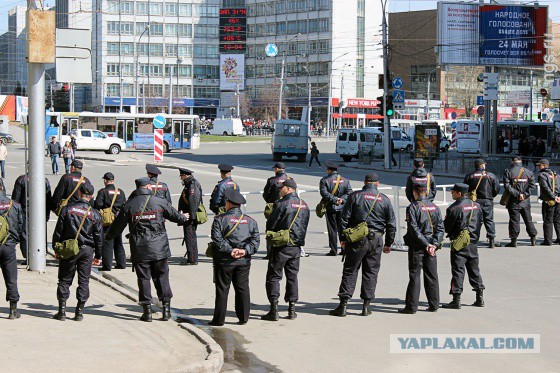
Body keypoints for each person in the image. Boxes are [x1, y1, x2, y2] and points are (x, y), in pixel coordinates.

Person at [106, 177, 188, 322]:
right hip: (159, 248)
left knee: (144, 278)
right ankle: (166, 310)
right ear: (149, 187)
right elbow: (176, 217)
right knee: (162, 277)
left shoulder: (130, 205)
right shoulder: (159, 201)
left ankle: (147, 312)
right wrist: (183, 217)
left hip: (140, 248)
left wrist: (108, 236)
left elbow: (116, 228)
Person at [329, 172, 396, 317]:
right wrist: (389, 243)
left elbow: (344, 219)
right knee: (371, 272)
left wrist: (343, 238)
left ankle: (343, 305)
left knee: (350, 270)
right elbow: (391, 224)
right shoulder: (384, 199)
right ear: (377, 184)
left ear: (365, 182)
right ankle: (366, 306)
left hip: (357, 239)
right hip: (376, 239)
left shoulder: (355, 196)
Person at [52, 183, 103, 321]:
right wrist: (98, 255)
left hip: (69, 249)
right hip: (87, 251)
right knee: (84, 281)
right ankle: (79, 312)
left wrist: (56, 248)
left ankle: (61, 311)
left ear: (79, 193)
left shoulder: (67, 209)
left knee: (64, 280)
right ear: (91, 196)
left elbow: (58, 231)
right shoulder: (94, 214)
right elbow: (99, 237)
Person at [209, 188, 260, 326]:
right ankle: (243, 317)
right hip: (243, 261)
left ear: (228, 203)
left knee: (222, 289)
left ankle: (219, 319)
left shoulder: (220, 219)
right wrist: (244, 251)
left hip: (224, 260)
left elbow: (217, 239)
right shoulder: (251, 221)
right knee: (242, 288)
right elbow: (255, 242)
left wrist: (231, 251)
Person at [262, 179, 310, 321]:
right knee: (292, 277)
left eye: (281, 187)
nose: (279, 189)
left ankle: (274, 309)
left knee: (274, 276)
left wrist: (272, 236)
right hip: (296, 246)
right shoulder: (304, 205)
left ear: (289, 189)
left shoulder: (281, 203)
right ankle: (292, 309)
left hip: (281, 246)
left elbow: (272, 223)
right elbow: (304, 226)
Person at [399, 185, 444, 314]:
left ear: (415, 192)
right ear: (427, 192)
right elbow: (440, 228)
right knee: (432, 275)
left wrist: (426, 244)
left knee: (415, 275)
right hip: (431, 247)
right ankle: (434, 304)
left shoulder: (413, 207)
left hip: (418, 246)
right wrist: (434, 244)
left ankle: (411, 307)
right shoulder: (435, 207)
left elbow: (414, 229)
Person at [442, 183, 485, 309]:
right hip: (473, 242)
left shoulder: (454, 208)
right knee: (474, 270)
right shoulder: (476, 205)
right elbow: (480, 222)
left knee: (458, 270)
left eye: (453, 192)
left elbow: (447, 227)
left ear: (459, 193)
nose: (451, 193)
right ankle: (480, 297)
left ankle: (456, 299)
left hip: (459, 243)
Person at [11, 175, 51, 261]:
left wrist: (15, 214)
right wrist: (47, 214)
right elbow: (48, 199)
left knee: (25, 233)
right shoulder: (45, 180)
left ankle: (28, 257)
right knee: (40, 232)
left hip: (24, 210)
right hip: (40, 211)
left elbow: (15, 199)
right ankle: (41, 254)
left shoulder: (21, 179)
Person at [463, 159, 501, 248]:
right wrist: (491, 195)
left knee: (475, 221)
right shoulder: (490, 175)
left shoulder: (470, 175)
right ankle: (491, 239)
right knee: (489, 220)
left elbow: (465, 188)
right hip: (487, 200)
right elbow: (497, 188)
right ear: (483, 166)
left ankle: (474, 240)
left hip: (474, 201)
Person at [0, 182, 25, 319]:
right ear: (3, 188)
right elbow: (20, 226)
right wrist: (15, 240)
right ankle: (13, 310)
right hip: (9, 246)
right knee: (11, 278)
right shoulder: (14, 205)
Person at [94, 172, 126, 271]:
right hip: (118, 220)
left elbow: (98, 204)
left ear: (105, 180)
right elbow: (124, 204)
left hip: (107, 221)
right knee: (118, 242)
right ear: (113, 180)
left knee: (107, 242)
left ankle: (107, 265)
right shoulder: (120, 192)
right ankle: (121, 263)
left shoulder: (102, 192)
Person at [319, 161, 353, 256]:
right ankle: (344, 249)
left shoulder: (324, 180)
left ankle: (333, 250)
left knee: (332, 229)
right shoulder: (345, 180)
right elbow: (349, 193)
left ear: (329, 170)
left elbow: (324, 194)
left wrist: (334, 200)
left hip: (331, 207)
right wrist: (341, 200)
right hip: (342, 208)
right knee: (343, 228)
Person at [503, 156, 537, 247]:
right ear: (521, 162)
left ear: (512, 162)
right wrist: (524, 194)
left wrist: (518, 194)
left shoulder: (508, 171)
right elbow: (532, 186)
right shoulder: (528, 172)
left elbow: (507, 186)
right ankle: (533, 238)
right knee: (528, 220)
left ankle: (514, 241)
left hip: (513, 201)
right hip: (525, 201)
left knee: (514, 220)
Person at [262, 162, 290, 259]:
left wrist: (270, 201)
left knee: (271, 229)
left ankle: (270, 253)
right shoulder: (290, 179)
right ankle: (282, 250)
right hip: (287, 208)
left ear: (277, 169)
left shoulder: (272, 180)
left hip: (274, 207)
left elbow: (266, 194)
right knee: (284, 228)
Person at [178, 168, 203, 265]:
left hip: (190, 216)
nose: (181, 178)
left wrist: (192, 217)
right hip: (188, 215)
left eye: (181, 176)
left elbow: (193, 201)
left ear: (185, 175)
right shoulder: (190, 183)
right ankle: (191, 257)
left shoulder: (192, 185)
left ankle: (192, 259)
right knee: (189, 236)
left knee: (190, 237)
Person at [536, 159, 560, 245]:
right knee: (557, 220)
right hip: (558, 200)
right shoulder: (555, 174)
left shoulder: (542, 175)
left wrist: (554, 197)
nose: (538, 167)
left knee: (547, 220)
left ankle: (548, 240)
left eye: (539, 165)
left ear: (544, 165)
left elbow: (545, 188)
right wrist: (558, 197)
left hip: (549, 200)